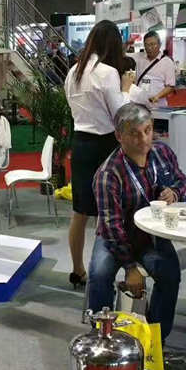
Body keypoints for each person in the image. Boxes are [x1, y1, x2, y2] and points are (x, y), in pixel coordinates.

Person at [88, 103, 186, 340]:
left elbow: (180, 179)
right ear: (119, 136)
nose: (143, 139)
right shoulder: (108, 174)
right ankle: (102, 336)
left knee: (170, 273)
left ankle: (156, 337)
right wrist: (131, 267)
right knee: (99, 275)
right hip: (116, 237)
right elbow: (111, 226)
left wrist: (174, 193)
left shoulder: (163, 153)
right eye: (134, 133)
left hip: (151, 235)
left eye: (147, 130)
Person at [63, 19, 138, 289]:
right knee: (110, 212)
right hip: (106, 145)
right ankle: (103, 273)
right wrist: (127, 90)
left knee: (80, 212)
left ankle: (77, 270)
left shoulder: (73, 72)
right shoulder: (108, 72)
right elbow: (121, 114)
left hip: (80, 144)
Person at [133, 31, 176, 107]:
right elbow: (122, 55)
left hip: (158, 106)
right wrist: (127, 44)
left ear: (160, 44)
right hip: (139, 106)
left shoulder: (167, 62)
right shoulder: (139, 57)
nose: (149, 48)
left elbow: (170, 86)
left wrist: (157, 96)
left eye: (152, 44)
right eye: (146, 45)